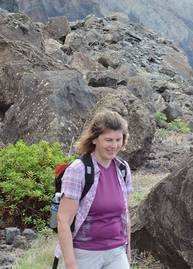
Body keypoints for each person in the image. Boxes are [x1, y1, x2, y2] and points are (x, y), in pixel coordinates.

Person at [55, 110, 133, 269]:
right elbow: (63, 221)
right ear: (95, 139)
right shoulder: (78, 170)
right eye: (108, 140)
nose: (114, 145)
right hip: (84, 253)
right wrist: (70, 264)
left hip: (117, 252)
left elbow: (125, 216)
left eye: (119, 139)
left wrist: (128, 251)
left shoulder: (123, 169)